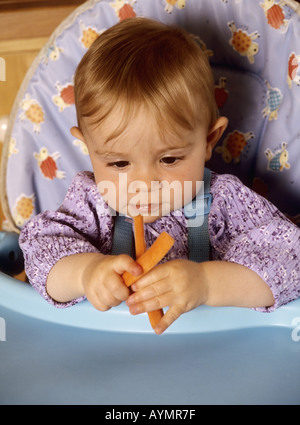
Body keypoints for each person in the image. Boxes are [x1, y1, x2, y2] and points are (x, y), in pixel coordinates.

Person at [20, 17, 300, 335]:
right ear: (88, 148)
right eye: (119, 164)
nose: (145, 183)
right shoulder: (91, 202)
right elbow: (40, 256)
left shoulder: (223, 202)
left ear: (209, 140)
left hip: (212, 358)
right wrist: (86, 273)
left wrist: (208, 283)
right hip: (107, 357)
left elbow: (290, 262)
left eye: (168, 159)